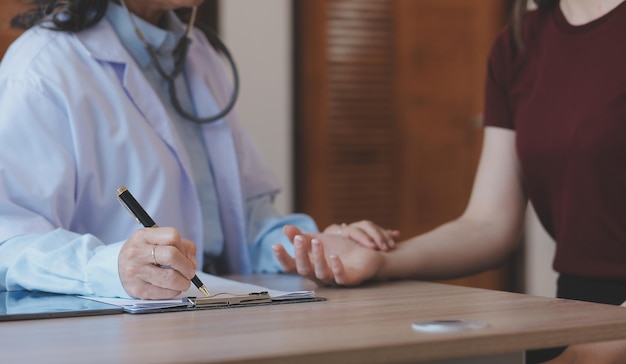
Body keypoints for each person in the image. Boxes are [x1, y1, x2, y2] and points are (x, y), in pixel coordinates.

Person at [272, 0, 626, 362]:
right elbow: (487, 223)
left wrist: (596, 353)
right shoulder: (519, 42)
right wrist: (381, 261)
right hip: (577, 316)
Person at [0, 0, 399, 300]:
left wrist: (310, 247)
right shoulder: (41, 71)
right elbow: (9, 243)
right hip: (102, 338)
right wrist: (111, 267)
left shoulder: (198, 56)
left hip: (209, 318)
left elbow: (244, 224)